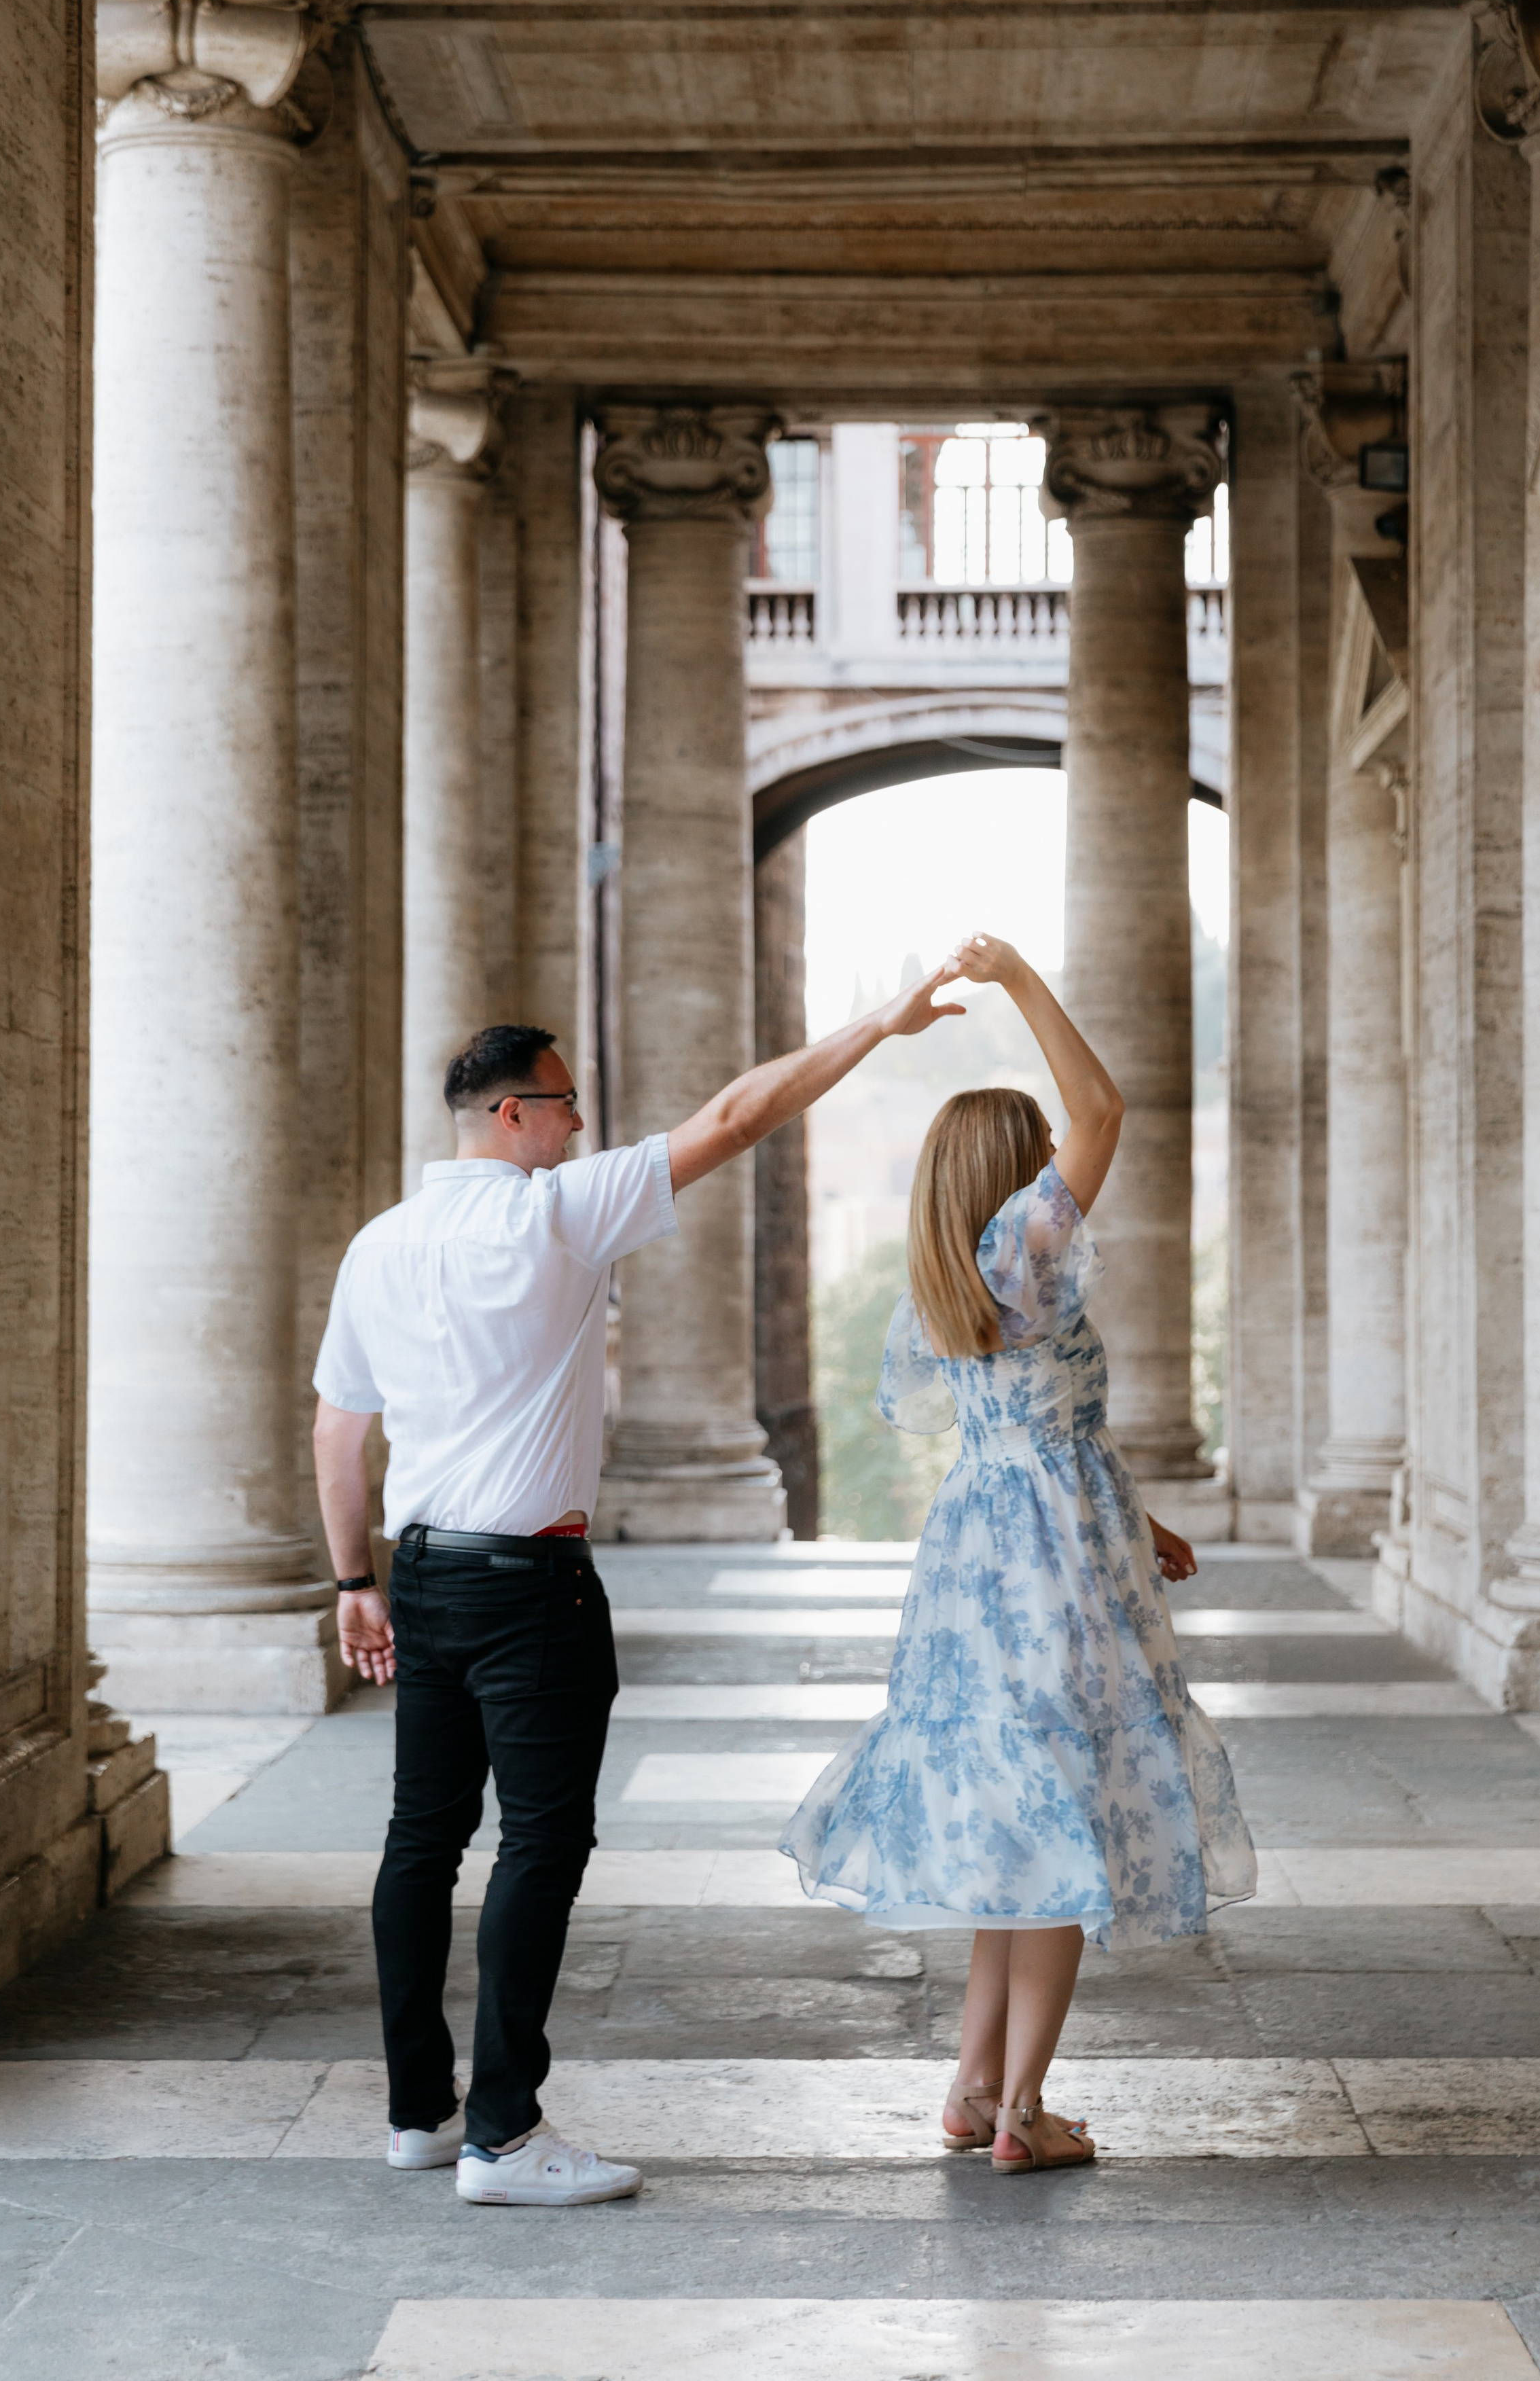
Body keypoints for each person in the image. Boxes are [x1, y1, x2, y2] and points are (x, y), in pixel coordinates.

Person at [310, 968, 966, 2206]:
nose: (577, 1125)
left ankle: (419, 2115)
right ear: (511, 1117)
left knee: (420, 1842)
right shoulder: (554, 1213)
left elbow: (338, 1435)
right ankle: (503, 2136)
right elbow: (734, 1116)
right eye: (563, 1104)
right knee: (541, 1847)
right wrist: (880, 1025)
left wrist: (357, 1581)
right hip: (533, 1584)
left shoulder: (379, 1245)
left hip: (427, 1576)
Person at [782, 932, 1255, 2173]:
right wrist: (1017, 980)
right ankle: (1022, 2115)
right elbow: (1105, 1103)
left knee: (1012, 1822)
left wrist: (1135, 1522)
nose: (1064, 1167)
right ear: (1014, 1177)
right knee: (1064, 1826)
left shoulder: (940, 1281)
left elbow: (1026, 1426)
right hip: (1048, 1571)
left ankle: (972, 2082)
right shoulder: (1025, 1252)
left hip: (985, 1559)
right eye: (1041, 1160)